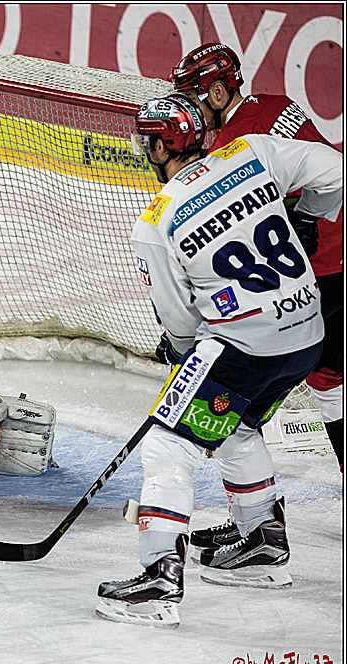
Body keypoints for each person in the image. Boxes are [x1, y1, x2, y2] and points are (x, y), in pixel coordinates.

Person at [95, 94, 342, 627]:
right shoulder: (251, 152)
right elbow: (336, 171)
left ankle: (158, 580)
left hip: (245, 348)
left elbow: (182, 325)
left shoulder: (156, 220)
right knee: (238, 424)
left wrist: (189, 358)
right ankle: (261, 546)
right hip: (307, 335)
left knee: (168, 442)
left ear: (161, 145)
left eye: (148, 140)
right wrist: (306, 219)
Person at [169, 42, 343, 469]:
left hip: (312, 271)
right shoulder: (275, 103)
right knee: (330, 380)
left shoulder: (233, 145)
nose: (187, 108)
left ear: (216, 92)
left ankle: (255, 511)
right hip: (336, 254)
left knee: (245, 396)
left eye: (192, 95)